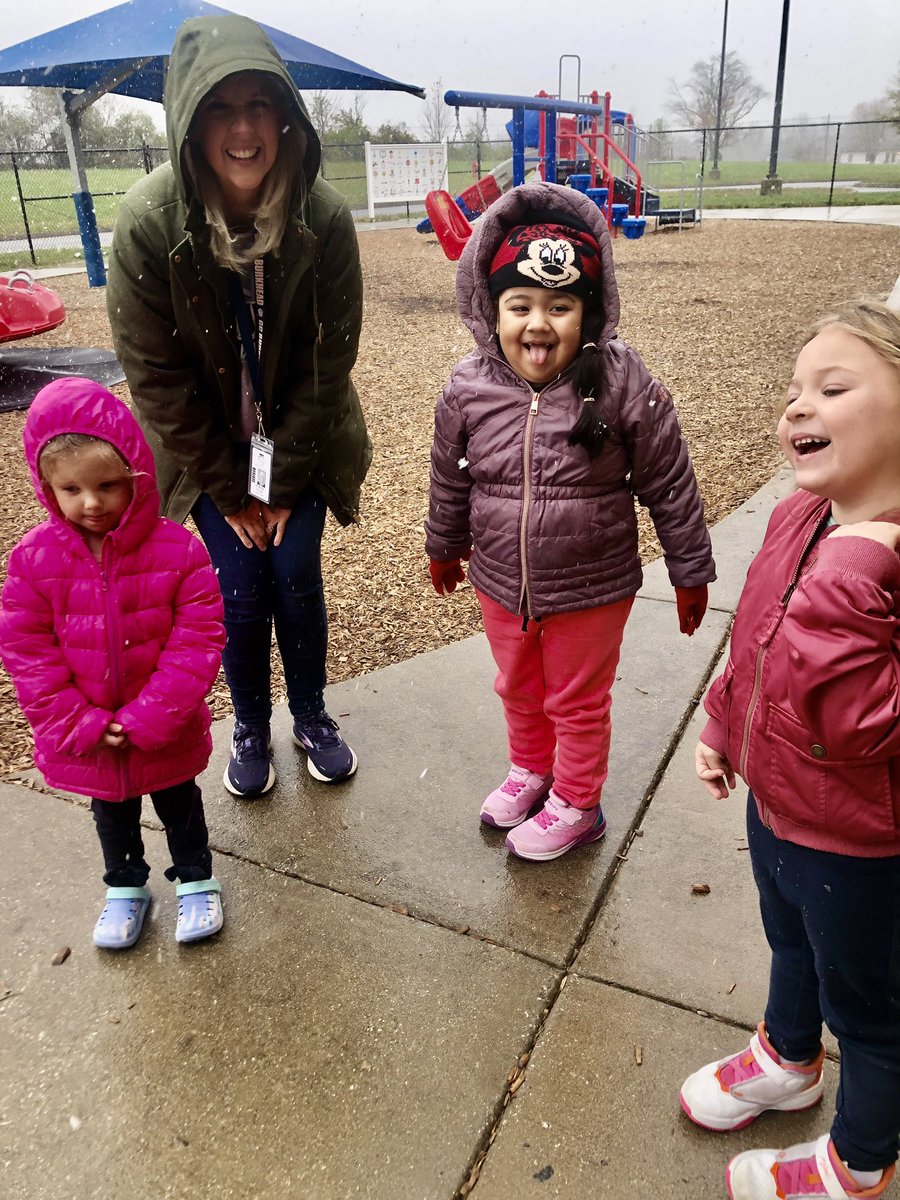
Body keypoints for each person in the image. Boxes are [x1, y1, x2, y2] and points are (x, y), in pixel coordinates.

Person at [106, 13, 371, 799]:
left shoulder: (322, 217)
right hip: (211, 450)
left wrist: (281, 483)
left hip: (302, 436)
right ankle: (250, 722)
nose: (245, 128)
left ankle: (312, 713)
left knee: (294, 571)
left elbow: (331, 361)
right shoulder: (148, 226)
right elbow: (155, 379)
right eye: (221, 107)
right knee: (238, 586)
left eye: (261, 104)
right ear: (190, 122)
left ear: (286, 115)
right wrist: (232, 490)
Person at [680, 300, 900, 1200]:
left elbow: (856, 726)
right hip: (778, 810)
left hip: (862, 846)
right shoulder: (801, 515)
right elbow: (756, 637)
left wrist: (853, 573)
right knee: (790, 943)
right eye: (793, 391)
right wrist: (724, 725)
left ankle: (859, 1161)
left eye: (832, 387)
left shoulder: (870, 558)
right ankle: (789, 1056)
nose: (797, 407)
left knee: (876, 1015)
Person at [425, 181, 715, 862]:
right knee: (518, 684)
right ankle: (533, 768)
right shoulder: (469, 385)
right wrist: (444, 544)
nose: (538, 324)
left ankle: (578, 803)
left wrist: (690, 569)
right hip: (501, 579)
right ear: (490, 309)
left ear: (589, 312)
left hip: (592, 584)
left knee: (578, 701)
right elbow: (448, 474)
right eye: (519, 305)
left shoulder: (620, 381)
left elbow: (669, 479)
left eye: (560, 307)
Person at [0, 379, 226, 950]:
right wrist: (79, 722)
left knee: (180, 803)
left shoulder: (177, 549)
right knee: (112, 813)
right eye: (71, 489)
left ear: (136, 479)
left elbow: (197, 637)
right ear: (47, 487)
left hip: (161, 727)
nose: (91, 503)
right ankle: (125, 886)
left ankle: (196, 877)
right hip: (93, 730)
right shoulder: (34, 561)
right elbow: (28, 652)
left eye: (106, 486)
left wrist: (154, 713)